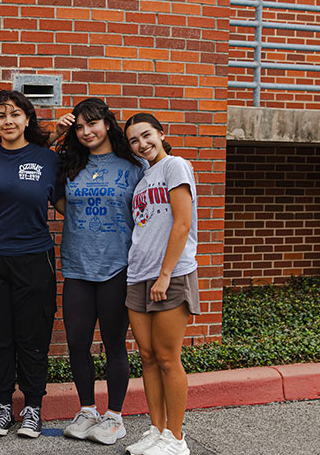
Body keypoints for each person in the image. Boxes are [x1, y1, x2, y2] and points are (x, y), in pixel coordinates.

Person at [52, 98, 144, 446]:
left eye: (92, 124)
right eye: (79, 126)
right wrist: (55, 134)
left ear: (107, 124)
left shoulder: (133, 166)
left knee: (113, 343)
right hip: (77, 266)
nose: (86, 131)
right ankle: (87, 410)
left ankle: (115, 417)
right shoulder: (70, 164)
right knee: (77, 343)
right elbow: (57, 197)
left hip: (116, 267)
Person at [0, 90, 61, 439]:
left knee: (32, 335)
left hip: (34, 258)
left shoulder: (47, 159)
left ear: (27, 119)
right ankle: (4, 404)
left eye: (15, 114)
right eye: (0, 115)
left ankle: (33, 408)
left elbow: (68, 204)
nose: (8, 121)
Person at [122, 113, 199, 455]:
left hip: (171, 274)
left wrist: (166, 274)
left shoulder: (175, 165)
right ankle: (157, 430)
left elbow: (182, 223)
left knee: (169, 358)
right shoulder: (143, 179)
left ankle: (176, 439)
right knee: (149, 357)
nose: (142, 144)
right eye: (134, 140)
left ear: (160, 133)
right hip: (138, 274)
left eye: (146, 135)